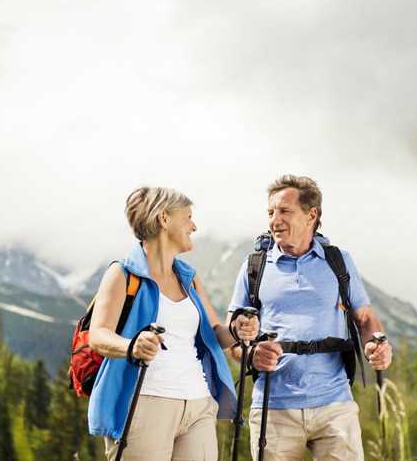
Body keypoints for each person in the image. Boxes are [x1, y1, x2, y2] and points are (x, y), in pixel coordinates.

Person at [227, 175, 393, 461]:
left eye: (284, 211)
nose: (274, 220)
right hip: (273, 406)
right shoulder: (254, 267)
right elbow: (231, 337)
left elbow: (365, 319)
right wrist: (252, 355)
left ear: (311, 215)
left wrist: (376, 345)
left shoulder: (338, 261)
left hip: (335, 405)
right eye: (270, 212)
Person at [88, 186, 259, 461]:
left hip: (198, 404)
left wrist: (237, 330)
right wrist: (132, 346)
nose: (194, 226)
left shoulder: (188, 278)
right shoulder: (122, 274)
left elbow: (216, 334)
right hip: (145, 402)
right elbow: (97, 335)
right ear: (163, 219)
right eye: (188, 217)